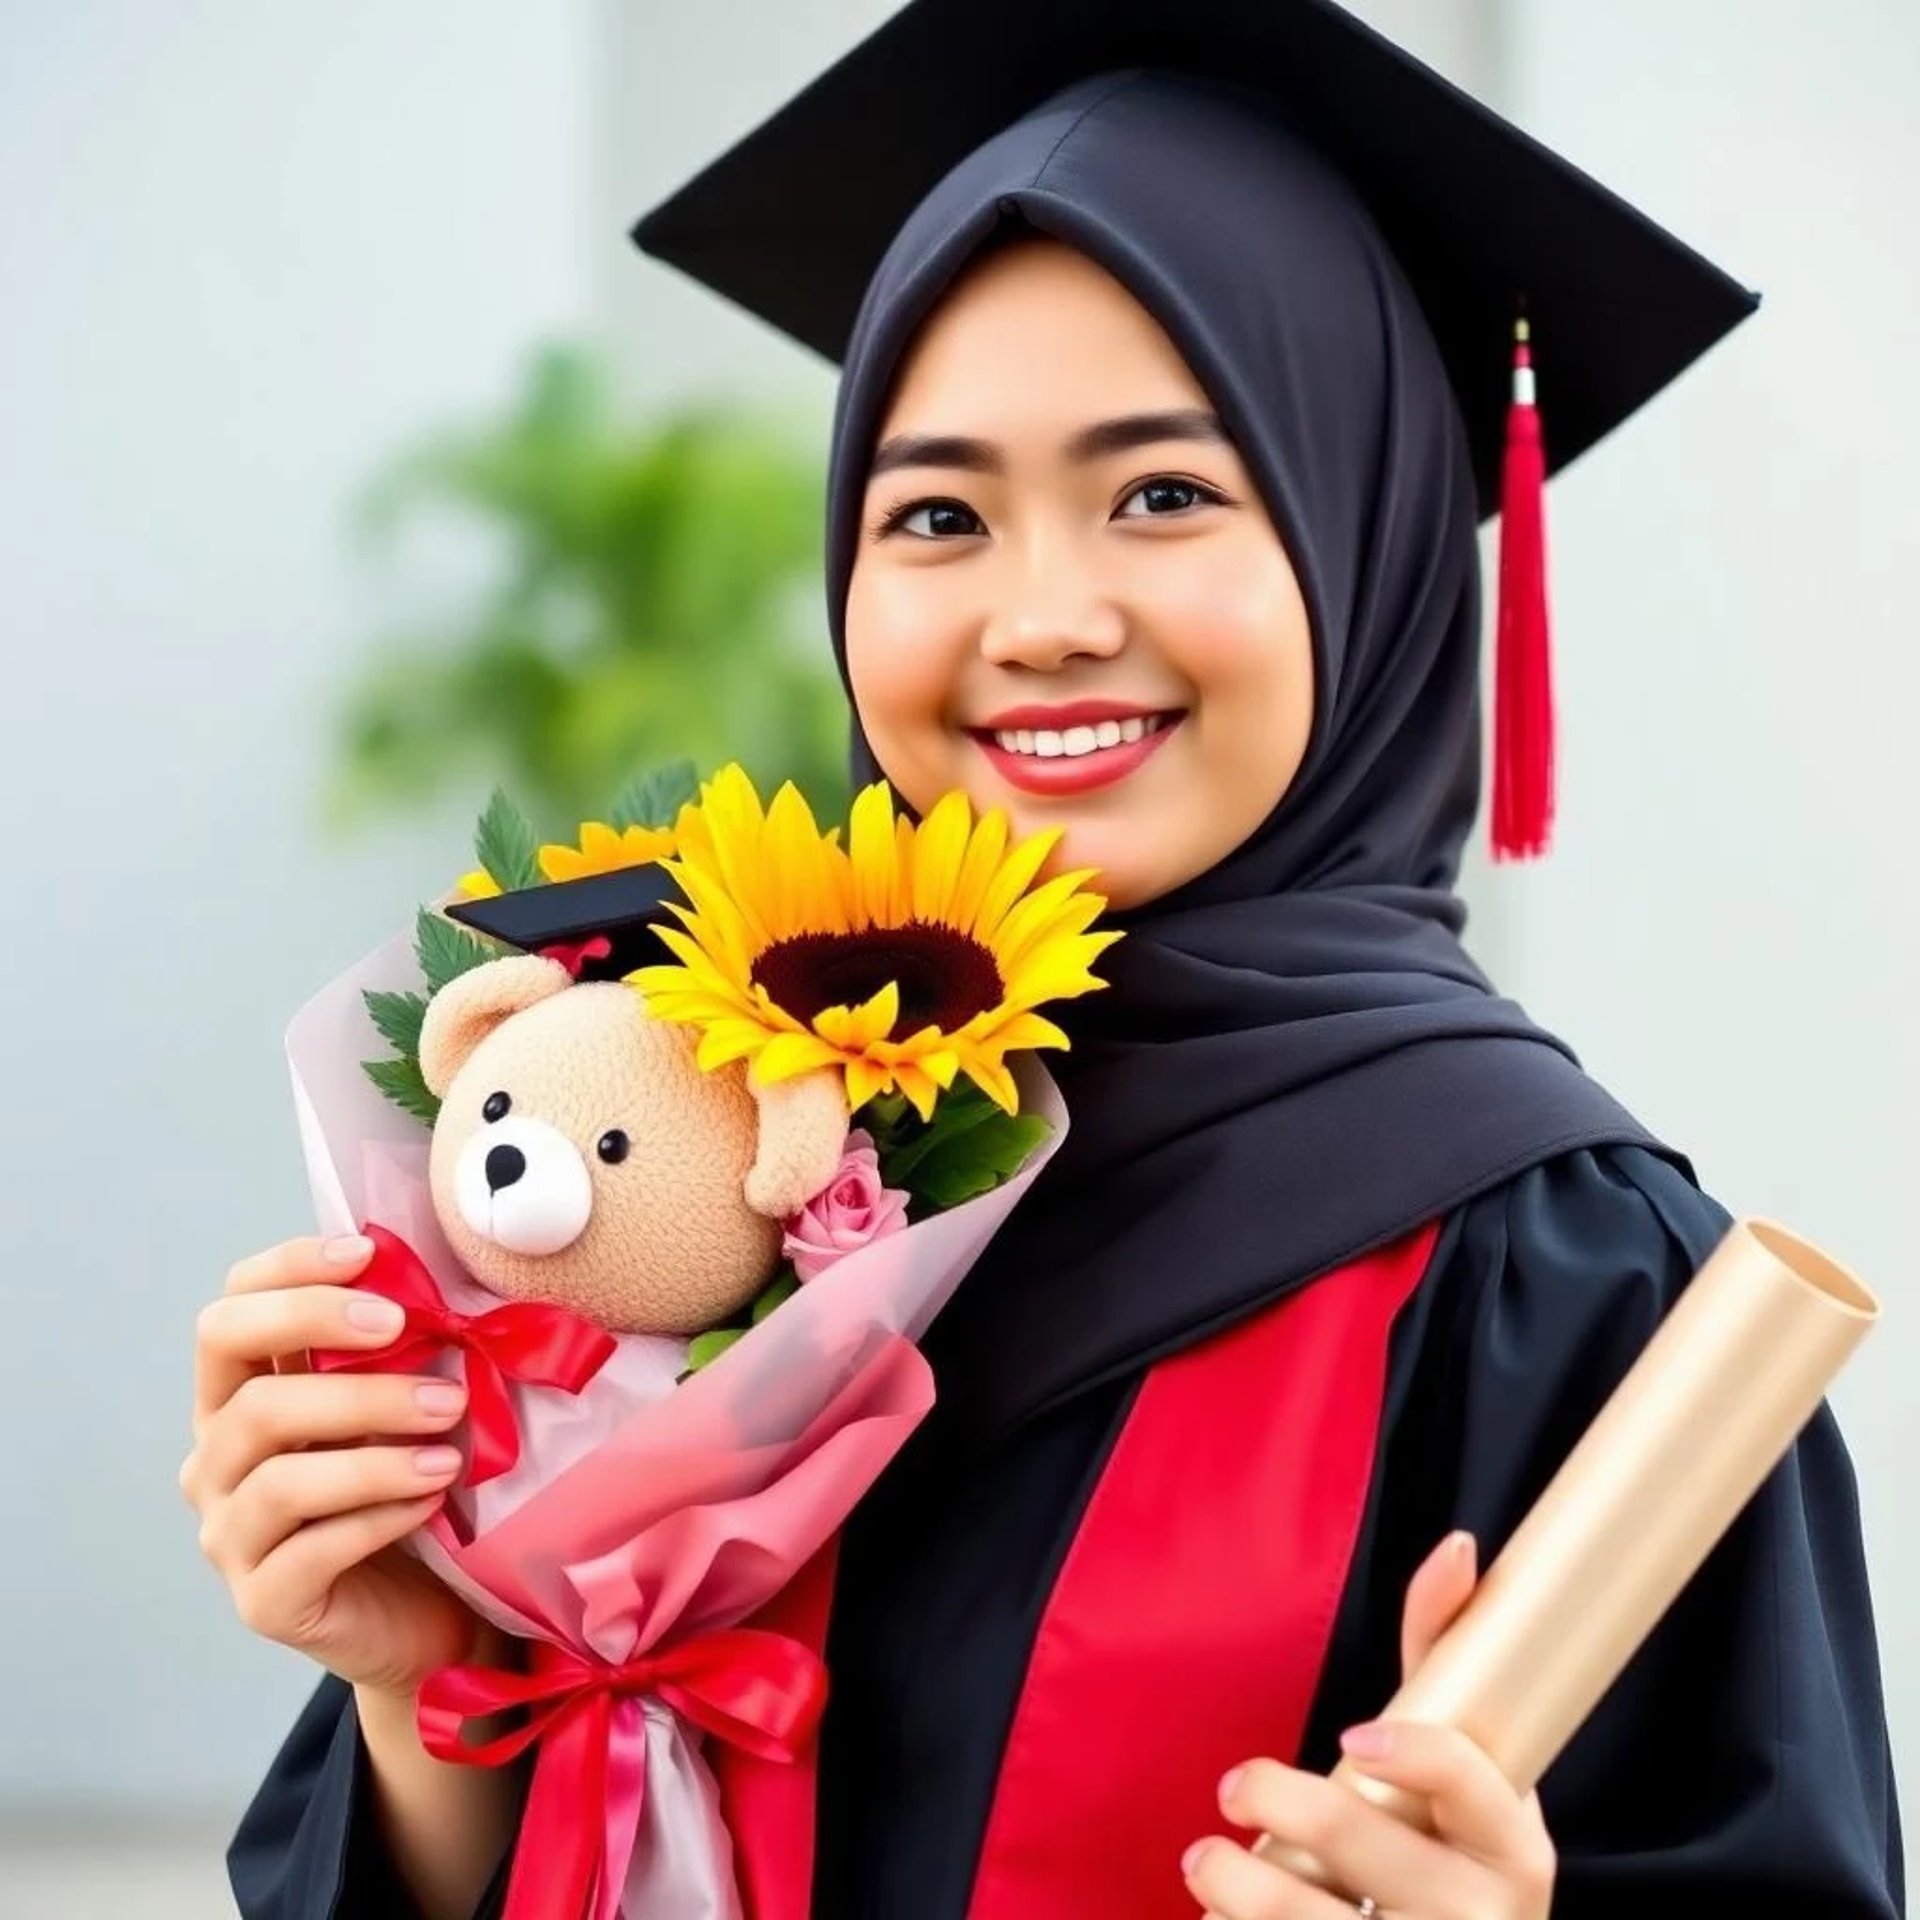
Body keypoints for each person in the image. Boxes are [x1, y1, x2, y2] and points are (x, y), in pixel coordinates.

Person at [184, 6, 1904, 1917]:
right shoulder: (714, 1144)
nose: (1045, 615)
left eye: (1165, 492)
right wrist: (430, 1696)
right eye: (936, 514)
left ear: (1371, 547)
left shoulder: (1564, 1277)